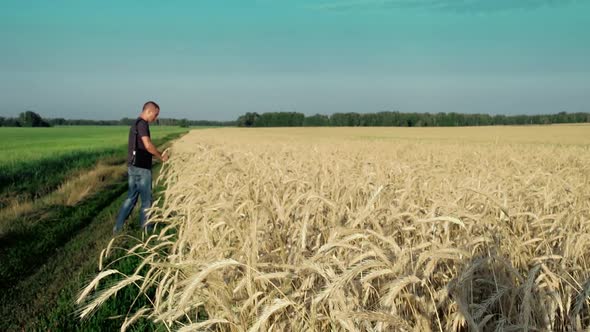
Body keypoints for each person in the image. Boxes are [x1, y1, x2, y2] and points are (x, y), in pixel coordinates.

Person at [113, 101, 169, 234]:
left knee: (131, 198)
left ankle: (117, 228)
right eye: (155, 115)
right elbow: (148, 145)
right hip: (141, 168)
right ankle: (146, 231)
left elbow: (142, 147)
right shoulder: (143, 124)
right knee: (146, 201)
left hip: (133, 166)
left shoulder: (136, 124)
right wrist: (161, 157)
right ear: (148, 111)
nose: (155, 119)